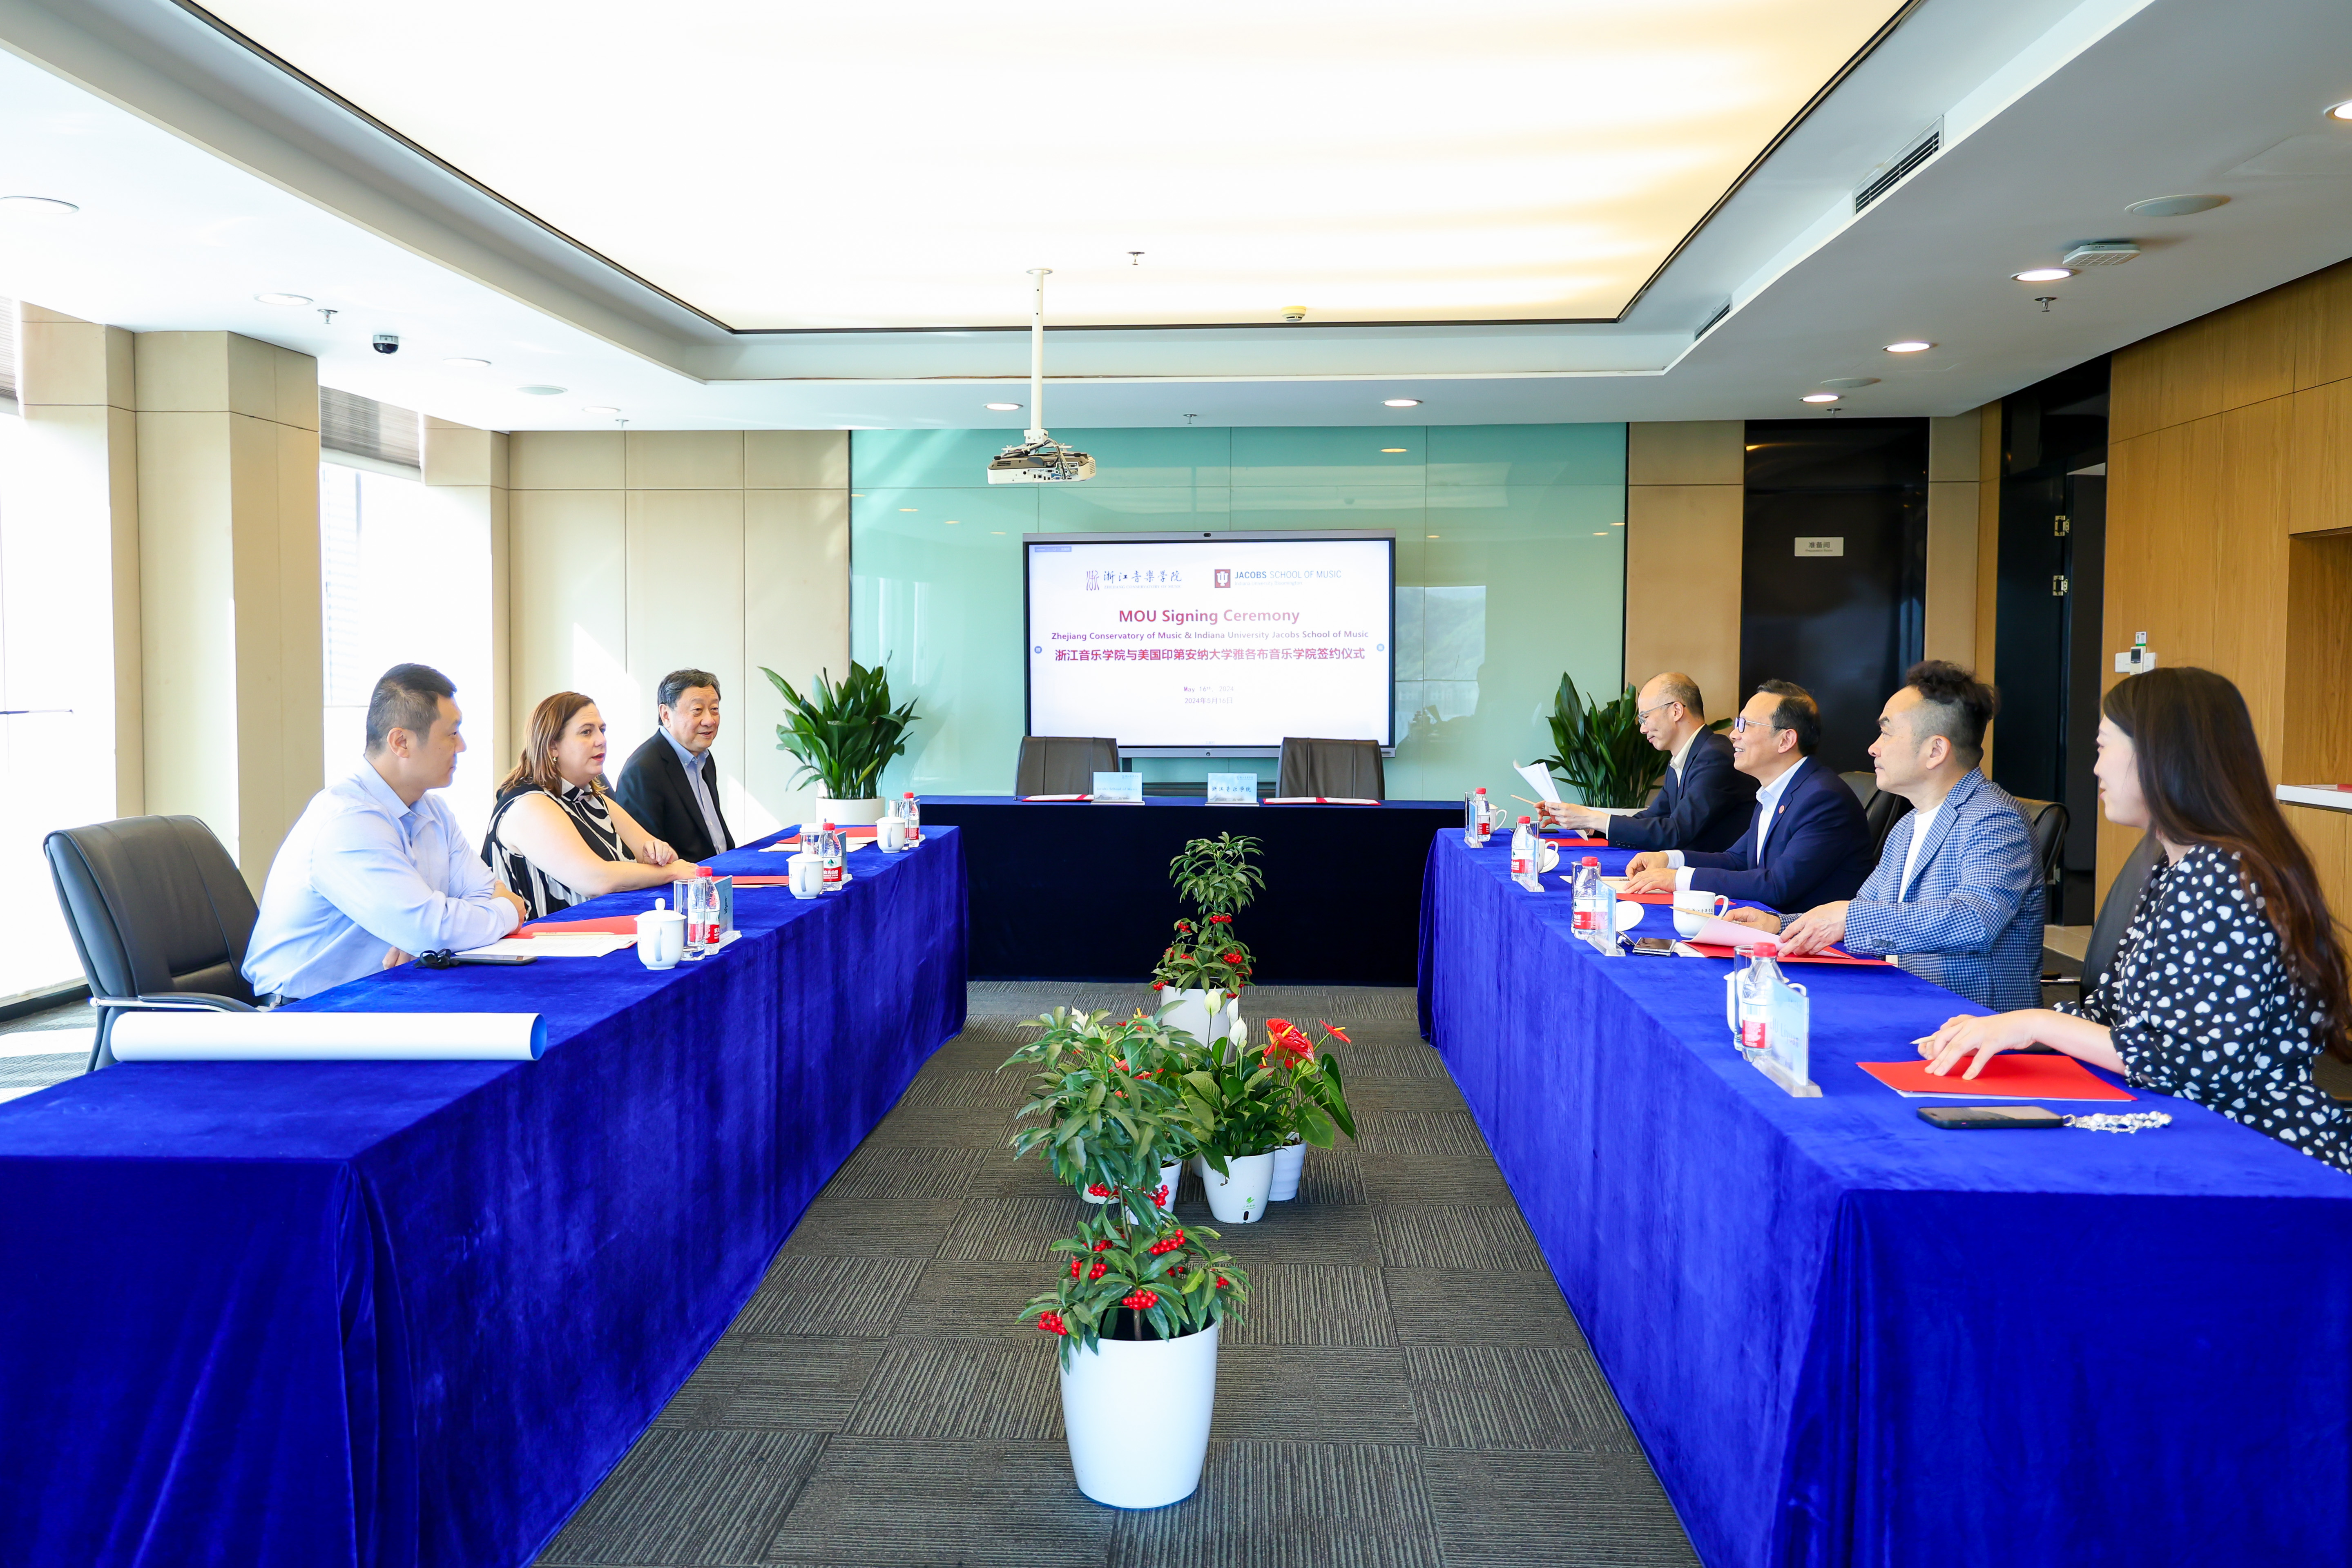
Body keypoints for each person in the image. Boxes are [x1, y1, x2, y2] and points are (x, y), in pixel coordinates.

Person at [1918, 667, 2351, 1173]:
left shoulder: (2221, 873)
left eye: (2103, 747)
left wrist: (2036, 1021)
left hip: (2248, 1150)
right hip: (2195, 1130)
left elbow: (2192, 1064)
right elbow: (2114, 1015)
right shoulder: (2178, 865)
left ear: (2159, 755)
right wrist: (2010, 1030)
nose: (2095, 767)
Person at [1721, 662, 2044, 1009]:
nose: (1873, 748)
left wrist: (1848, 919)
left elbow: (1974, 919)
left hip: (1970, 1019)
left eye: (1887, 733)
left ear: (1935, 751)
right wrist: (1778, 923)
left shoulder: (1993, 818)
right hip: (1904, 1000)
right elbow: (1864, 910)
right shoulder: (1907, 825)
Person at [245, 664, 527, 1001]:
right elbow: (436, 928)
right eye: (452, 733)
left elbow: (482, 893)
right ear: (401, 742)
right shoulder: (348, 821)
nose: (462, 746)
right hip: (304, 1011)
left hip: (381, 993)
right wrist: (504, 913)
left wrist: (424, 937)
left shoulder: (435, 811)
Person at [1622, 679, 1872, 910]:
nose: (1733, 734)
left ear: (1785, 740)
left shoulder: (1823, 799)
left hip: (1808, 939)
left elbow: (1777, 886)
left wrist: (1678, 879)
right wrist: (1668, 859)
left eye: (1746, 725)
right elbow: (1737, 860)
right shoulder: (1776, 791)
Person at [484, 691, 699, 919]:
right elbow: (596, 880)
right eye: (586, 732)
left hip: (596, 932)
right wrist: (669, 873)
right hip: (542, 940)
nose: (601, 740)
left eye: (602, 730)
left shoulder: (590, 797)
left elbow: (665, 857)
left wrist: (660, 854)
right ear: (553, 746)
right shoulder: (529, 804)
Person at [1540, 672, 1755, 852]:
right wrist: (1587, 825)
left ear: (1676, 711)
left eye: (1645, 717)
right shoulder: (1686, 757)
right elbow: (1650, 818)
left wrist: (1591, 818)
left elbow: (1676, 832)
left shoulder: (1715, 757)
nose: (1642, 729)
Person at [614, 668, 736, 862]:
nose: (710, 720)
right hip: (685, 879)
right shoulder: (643, 771)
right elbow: (647, 857)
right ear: (666, 715)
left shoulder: (703, 757)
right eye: (697, 710)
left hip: (722, 869)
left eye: (714, 709)